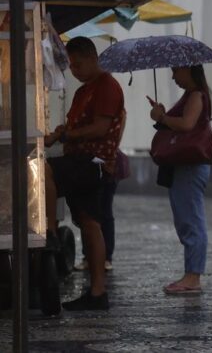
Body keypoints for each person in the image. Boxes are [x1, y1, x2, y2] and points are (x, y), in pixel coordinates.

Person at [44, 37, 125, 311]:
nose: (75, 71)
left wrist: (67, 135)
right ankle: (97, 292)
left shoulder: (107, 87)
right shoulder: (82, 92)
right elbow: (76, 125)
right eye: (72, 67)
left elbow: (100, 128)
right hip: (77, 159)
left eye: (78, 65)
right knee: (89, 223)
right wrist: (60, 134)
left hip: (92, 162)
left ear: (93, 58)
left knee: (42, 171)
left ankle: (50, 232)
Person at [149, 65, 212, 294]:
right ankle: (190, 273)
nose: (173, 76)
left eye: (177, 70)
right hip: (185, 166)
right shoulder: (190, 95)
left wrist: (163, 117)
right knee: (186, 218)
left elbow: (187, 124)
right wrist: (162, 115)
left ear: (189, 69)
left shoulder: (196, 95)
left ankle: (193, 276)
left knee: (191, 220)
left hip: (190, 166)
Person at [75, 112, 127, 273]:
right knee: (89, 211)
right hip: (88, 161)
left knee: (103, 210)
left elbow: (115, 135)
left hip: (106, 163)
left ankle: (104, 257)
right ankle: (91, 257)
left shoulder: (116, 109)